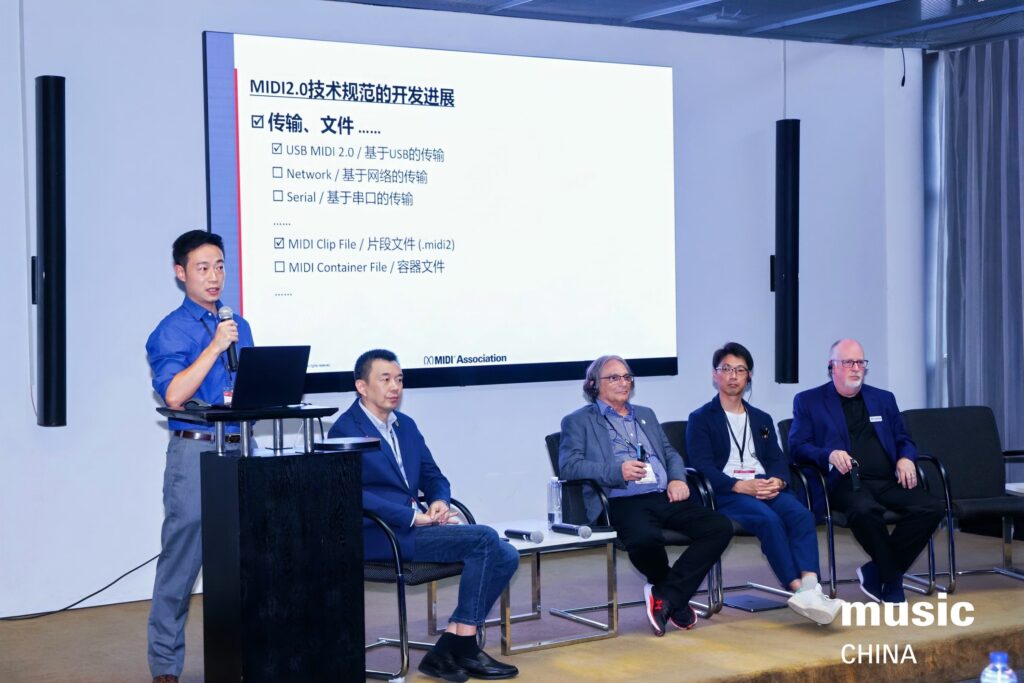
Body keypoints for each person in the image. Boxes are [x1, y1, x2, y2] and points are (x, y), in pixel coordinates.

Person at [328, 349, 519, 682]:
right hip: (379, 533)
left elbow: (433, 476)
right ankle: (460, 646)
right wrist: (411, 516)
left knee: (507, 554)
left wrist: (440, 502)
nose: (395, 387)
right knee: (486, 538)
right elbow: (354, 493)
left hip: (413, 528)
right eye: (385, 379)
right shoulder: (346, 430)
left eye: (399, 379)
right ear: (362, 386)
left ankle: (454, 643)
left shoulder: (405, 426)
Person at [145, 230, 254, 683]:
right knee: (182, 561)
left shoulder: (239, 325)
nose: (214, 277)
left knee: (246, 559)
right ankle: (166, 667)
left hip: (241, 448)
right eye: (203, 268)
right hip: (196, 452)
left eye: (221, 266)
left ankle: (248, 655)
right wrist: (213, 347)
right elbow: (173, 393)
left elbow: (248, 386)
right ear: (180, 273)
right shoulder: (170, 331)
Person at [558, 355, 733, 636]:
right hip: (621, 498)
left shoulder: (645, 414)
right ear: (593, 385)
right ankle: (671, 596)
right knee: (644, 539)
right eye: (614, 377)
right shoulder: (578, 421)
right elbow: (569, 465)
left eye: (627, 377)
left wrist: (677, 478)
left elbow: (670, 453)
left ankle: (666, 596)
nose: (623, 382)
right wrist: (617, 470)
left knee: (719, 527)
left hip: (663, 494)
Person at [686, 342, 842, 624]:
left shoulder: (761, 418)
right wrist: (737, 485)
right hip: (727, 490)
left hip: (763, 484)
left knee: (801, 515)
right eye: (726, 369)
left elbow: (777, 459)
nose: (733, 376)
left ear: (749, 377)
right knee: (769, 520)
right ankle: (798, 590)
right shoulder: (700, 419)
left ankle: (810, 585)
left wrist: (779, 481)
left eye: (740, 370)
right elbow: (702, 467)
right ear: (715, 375)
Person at [788, 338, 944, 604]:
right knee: (864, 511)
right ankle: (892, 579)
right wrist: (829, 454)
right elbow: (797, 446)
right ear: (832, 367)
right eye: (848, 362)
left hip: (887, 479)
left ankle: (878, 570)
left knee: (931, 507)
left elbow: (903, 438)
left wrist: (906, 458)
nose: (856, 368)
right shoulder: (809, 401)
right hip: (844, 482)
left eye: (860, 362)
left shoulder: (883, 399)